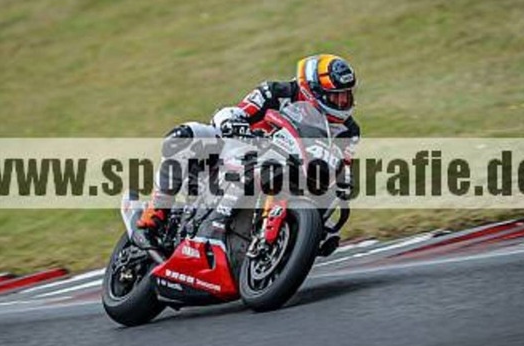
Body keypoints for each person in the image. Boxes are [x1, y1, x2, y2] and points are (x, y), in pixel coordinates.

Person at [133, 54, 361, 251]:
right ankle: (154, 213)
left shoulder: (349, 130)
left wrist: (343, 180)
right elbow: (235, 112)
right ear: (312, 91)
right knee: (185, 135)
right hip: (245, 151)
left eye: (346, 94)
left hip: (297, 173)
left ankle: (294, 237)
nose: (342, 101)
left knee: (332, 201)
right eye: (335, 95)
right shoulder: (276, 92)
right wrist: (233, 124)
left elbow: (341, 165)